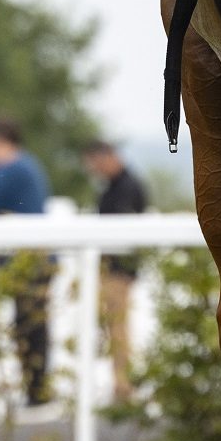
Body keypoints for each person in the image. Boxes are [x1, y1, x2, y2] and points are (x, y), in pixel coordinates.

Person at [0, 115, 53, 408]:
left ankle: (38, 395)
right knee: (28, 325)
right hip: (29, 262)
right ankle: (36, 393)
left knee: (30, 327)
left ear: (1, 139)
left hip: (31, 262)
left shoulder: (15, 168)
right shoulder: (20, 166)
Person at [80, 140, 148, 401]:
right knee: (114, 326)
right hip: (112, 267)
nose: (94, 170)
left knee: (118, 327)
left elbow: (123, 230)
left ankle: (123, 384)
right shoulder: (116, 185)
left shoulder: (126, 187)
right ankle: (120, 382)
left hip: (119, 269)